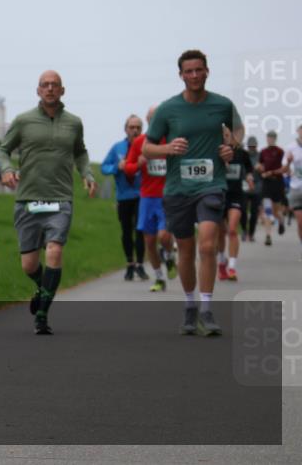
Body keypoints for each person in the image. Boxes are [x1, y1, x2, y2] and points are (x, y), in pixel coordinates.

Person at [143, 49, 242, 337]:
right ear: (181, 75)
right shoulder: (167, 109)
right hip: (178, 189)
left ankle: (208, 309)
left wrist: (231, 146)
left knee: (208, 245)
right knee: (185, 250)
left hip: (212, 185)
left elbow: (238, 130)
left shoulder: (222, 104)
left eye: (199, 70)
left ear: (207, 71)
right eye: (189, 71)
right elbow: (148, 147)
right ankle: (190, 305)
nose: (195, 75)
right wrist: (167, 148)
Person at [0, 70, 97, 335]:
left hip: (60, 198)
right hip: (28, 199)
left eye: (55, 85)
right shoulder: (24, 121)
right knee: (29, 265)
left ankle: (42, 314)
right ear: (38, 90)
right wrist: (6, 169)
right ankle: (43, 289)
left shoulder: (74, 123)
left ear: (62, 91)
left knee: (54, 250)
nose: (50, 88)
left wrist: (87, 174)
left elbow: (81, 152)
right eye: (45, 85)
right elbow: (3, 150)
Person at [123, 105, 175, 292]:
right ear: (148, 121)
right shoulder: (140, 143)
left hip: (168, 197)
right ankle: (159, 278)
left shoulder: (170, 140)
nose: (155, 122)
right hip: (147, 198)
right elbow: (127, 168)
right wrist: (138, 163)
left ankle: (169, 255)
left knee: (164, 235)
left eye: (158, 118)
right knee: (150, 242)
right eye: (151, 119)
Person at [102, 115, 145, 280]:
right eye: (131, 127)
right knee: (126, 231)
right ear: (125, 129)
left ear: (142, 130)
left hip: (142, 195)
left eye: (138, 128)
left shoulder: (146, 146)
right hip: (123, 196)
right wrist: (116, 167)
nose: (134, 130)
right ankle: (129, 264)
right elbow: (104, 167)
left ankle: (141, 265)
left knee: (140, 230)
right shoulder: (117, 148)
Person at [218, 129, 253, 281]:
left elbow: (249, 169)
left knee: (232, 229)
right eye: (228, 134)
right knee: (219, 233)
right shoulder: (216, 150)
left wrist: (250, 178)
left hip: (236, 195)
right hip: (218, 194)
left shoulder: (242, 154)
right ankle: (221, 262)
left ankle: (232, 267)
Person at [258, 130, 287, 245]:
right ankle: (268, 235)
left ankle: (280, 221)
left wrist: (272, 172)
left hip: (277, 183)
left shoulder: (280, 151)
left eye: (272, 138)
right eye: (268, 137)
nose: (270, 139)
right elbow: (260, 164)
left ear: (275, 139)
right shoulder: (263, 151)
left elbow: (284, 168)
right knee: (267, 210)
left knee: (275, 211)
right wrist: (260, 168)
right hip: (266, 184)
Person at [283, 124, 302, 260]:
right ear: (298, 132)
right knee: (301, 222)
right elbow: (284, 170)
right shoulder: (290, 148)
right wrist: (289, 163)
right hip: (296, 188)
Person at [242, 136, 263, 242]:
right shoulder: (244, 155)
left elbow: (265, 170)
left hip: (257, 187)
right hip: (245, 186)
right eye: (250, 146)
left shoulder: (260, 156)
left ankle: (251, 234)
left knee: (254, 212)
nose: (251, 148)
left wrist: (261, 168)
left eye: (253, 146)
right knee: (243, 210)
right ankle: (244, 231)